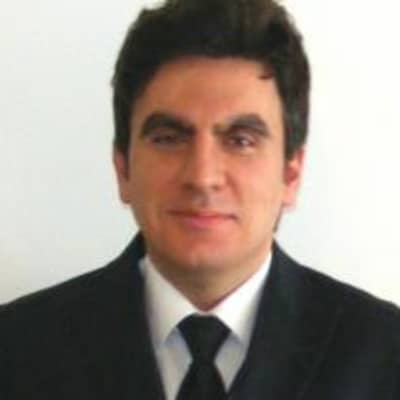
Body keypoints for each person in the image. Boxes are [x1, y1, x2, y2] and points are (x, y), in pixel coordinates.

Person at [1, 0, 399, 398]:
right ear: (123, 168)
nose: (202, 177)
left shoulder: (385, 356)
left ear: (290, 173)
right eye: (169, 139)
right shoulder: (16, 352)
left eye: (240, 140)